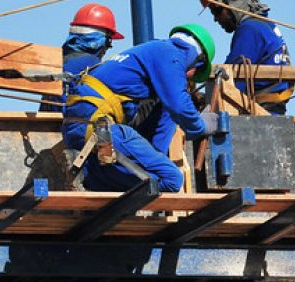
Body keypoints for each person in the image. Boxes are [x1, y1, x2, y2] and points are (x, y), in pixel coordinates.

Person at [62, 24, 219, 192]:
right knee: (172, 179)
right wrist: (202, 125)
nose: (190, 76)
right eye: (194, 71)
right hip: (98, 129)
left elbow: (167, 110)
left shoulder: (150, 51)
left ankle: (91, 176)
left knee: (153, 170)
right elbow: (179, 105)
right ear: (197, 59)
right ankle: (90, 176)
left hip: (82, 129)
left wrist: (156, 159)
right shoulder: (171, 54)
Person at [197, 0, 293, 115]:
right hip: (270, 110)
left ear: (229, 4)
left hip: (260, 114)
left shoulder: (250, 30)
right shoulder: (265, 25)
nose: (216, 19)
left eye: (216, 11)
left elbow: (230, 84)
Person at [39, 3, 125, 112]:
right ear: (102, 41)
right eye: (109, 44)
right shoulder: (96, 68)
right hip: (77, 125)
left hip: (48, 124)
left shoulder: (58, 62)